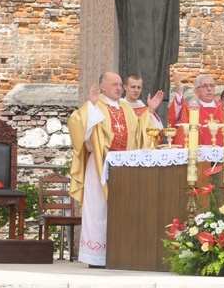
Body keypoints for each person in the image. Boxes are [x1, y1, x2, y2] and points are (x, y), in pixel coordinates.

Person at [68, 72, 163, 267]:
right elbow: (78, 127)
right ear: (102, 87)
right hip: (100, 166)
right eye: (114, 85)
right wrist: (91, 106)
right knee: (98, 209)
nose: (119, 88)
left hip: (124, 168)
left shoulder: (127, 109)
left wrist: (150, 112)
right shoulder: (96, 106)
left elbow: (140, 133)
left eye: (120, 84)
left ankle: (120, 253)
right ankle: (96, 257)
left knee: (122, 209)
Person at [167, 72, 224, 146]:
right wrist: (179, 91)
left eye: (211, 86)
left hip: (223, 155)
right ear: (196, 91)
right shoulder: (190, 109)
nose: (209, 89)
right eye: (204, 86)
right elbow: (176, 116)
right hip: (199, 157)